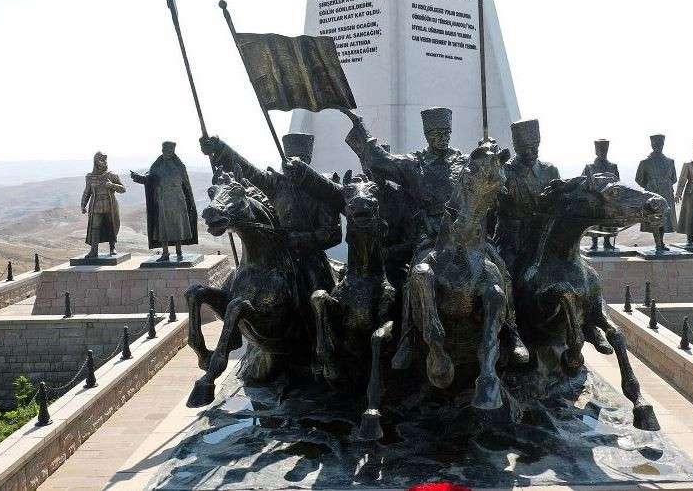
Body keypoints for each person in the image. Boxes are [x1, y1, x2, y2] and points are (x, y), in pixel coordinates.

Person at [341, 107, 528, 364]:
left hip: (470, 236)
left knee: (502, 271)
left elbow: (489, 178)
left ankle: (512, 331)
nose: (442, 137)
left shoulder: (465, 162)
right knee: (414, 277)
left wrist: (491, 154)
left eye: (446, 132)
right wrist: (360, 126)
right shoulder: (414, 164)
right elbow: (378, 160)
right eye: (436, 133)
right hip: (432, 238)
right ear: (427, 135)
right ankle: (407, 336)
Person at [200, 132, 341, 304]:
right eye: (288, 159)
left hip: (308, 258)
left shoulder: (322, 188)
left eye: (299, 160)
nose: (292, 164)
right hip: (275, 255)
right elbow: (249, 171)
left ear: (307, 162)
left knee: (317, 296)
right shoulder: (276, 182)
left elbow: (333, 235)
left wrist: (295, 239)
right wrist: (220, 148)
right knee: (236, 283)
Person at [494, 119, 559, 279]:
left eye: (534, 148)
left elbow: (559, 207)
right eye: (524, 149)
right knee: (506, 277)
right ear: (516, 147)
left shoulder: (550, 171)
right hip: (512, 242)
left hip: (542, 241)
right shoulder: (504, 172)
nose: (530, 152)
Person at [130, 141, 198, 262]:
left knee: (178, 226)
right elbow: (149, 178)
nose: (166, 152)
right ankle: (165, 253)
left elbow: (187, 185)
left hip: (178, 200)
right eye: (165, 150)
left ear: (173, 151)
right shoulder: (157, 165)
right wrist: (139, 178)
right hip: (163, 200)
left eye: (169, 150)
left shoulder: (179, 166)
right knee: (163, 227)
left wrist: (191, 202)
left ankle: (179, 251)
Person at [635, 134, 677, 250]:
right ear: (652, 145)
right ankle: (658, 244)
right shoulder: (645, 162)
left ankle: (661, 243)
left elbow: (674, 178)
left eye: (660, 144)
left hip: (667, 194)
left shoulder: (670, 162)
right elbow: (638, 178)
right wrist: (649, 186)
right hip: (653, 195)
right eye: (656, 144)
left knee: (664, 219)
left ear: (663, 145)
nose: (658, 146)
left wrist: (665, 184)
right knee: (654, 218)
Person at [81, 152, 126, 258]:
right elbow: (87, 192)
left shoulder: (112, 175)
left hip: (110, 205)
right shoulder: (90, 177)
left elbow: (123, 189)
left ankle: (112, 248)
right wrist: (83, 205)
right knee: (95, 227)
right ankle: (94, 251)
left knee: (111, 225)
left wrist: (112, 185)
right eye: (101, 160)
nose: (104, 162)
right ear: (96, 162)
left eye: (105, 160)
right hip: (96, 206)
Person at [583, 139, 620, 251]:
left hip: (609, 200)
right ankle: (594, 243)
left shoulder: (613, 166)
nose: (603, 152)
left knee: (608, 221)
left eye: (605, 150)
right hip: (595, 198)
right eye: (600, 149)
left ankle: (607, 242)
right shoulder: (589, 167)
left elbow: (618, 183)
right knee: (595, 221)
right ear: (596, 151)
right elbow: (583, 182)